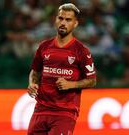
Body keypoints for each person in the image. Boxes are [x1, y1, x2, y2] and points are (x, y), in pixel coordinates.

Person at [27, 3, 96, 135]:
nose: (63, 22)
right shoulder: (44, 46)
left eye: (68, 20)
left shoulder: (81, 51)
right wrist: (32, 83)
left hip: (64, 112)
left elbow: (92, 80)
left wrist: (71, 84)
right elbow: (35, 71)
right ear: (55, 20)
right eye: (60, 18)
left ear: (75, 24)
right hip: (41, 109)